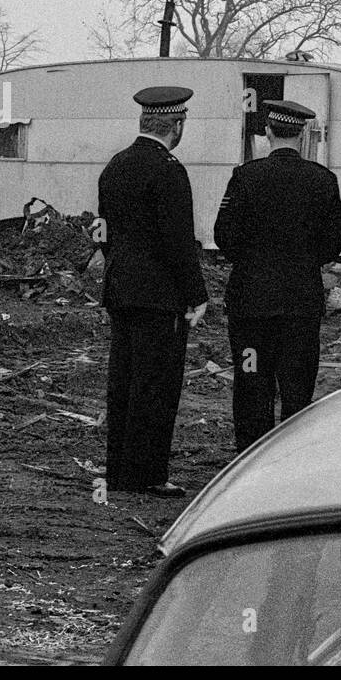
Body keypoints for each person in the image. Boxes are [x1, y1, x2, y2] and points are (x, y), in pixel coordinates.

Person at [214, 100, 341, 454]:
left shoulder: (245, 176)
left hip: (251, 304)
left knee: (251, 381)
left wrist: (251, 263)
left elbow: (224, 234)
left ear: (268, 132)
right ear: (302, 135)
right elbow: (333, 243)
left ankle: (249, 458)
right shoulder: (323, 180)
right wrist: (303, 262)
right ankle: (291, 458)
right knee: (296, 386)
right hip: (300, 303)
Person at [98, 86, 209, 496]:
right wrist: (196, 293)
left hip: (121, 286)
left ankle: (119, 470)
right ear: (177, 125)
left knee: (123, 382)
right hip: (159, 295)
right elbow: (177, 241)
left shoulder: (115, 165)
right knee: (156, 385)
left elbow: (105, 231)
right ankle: (148, 474)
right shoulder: (169, 170)